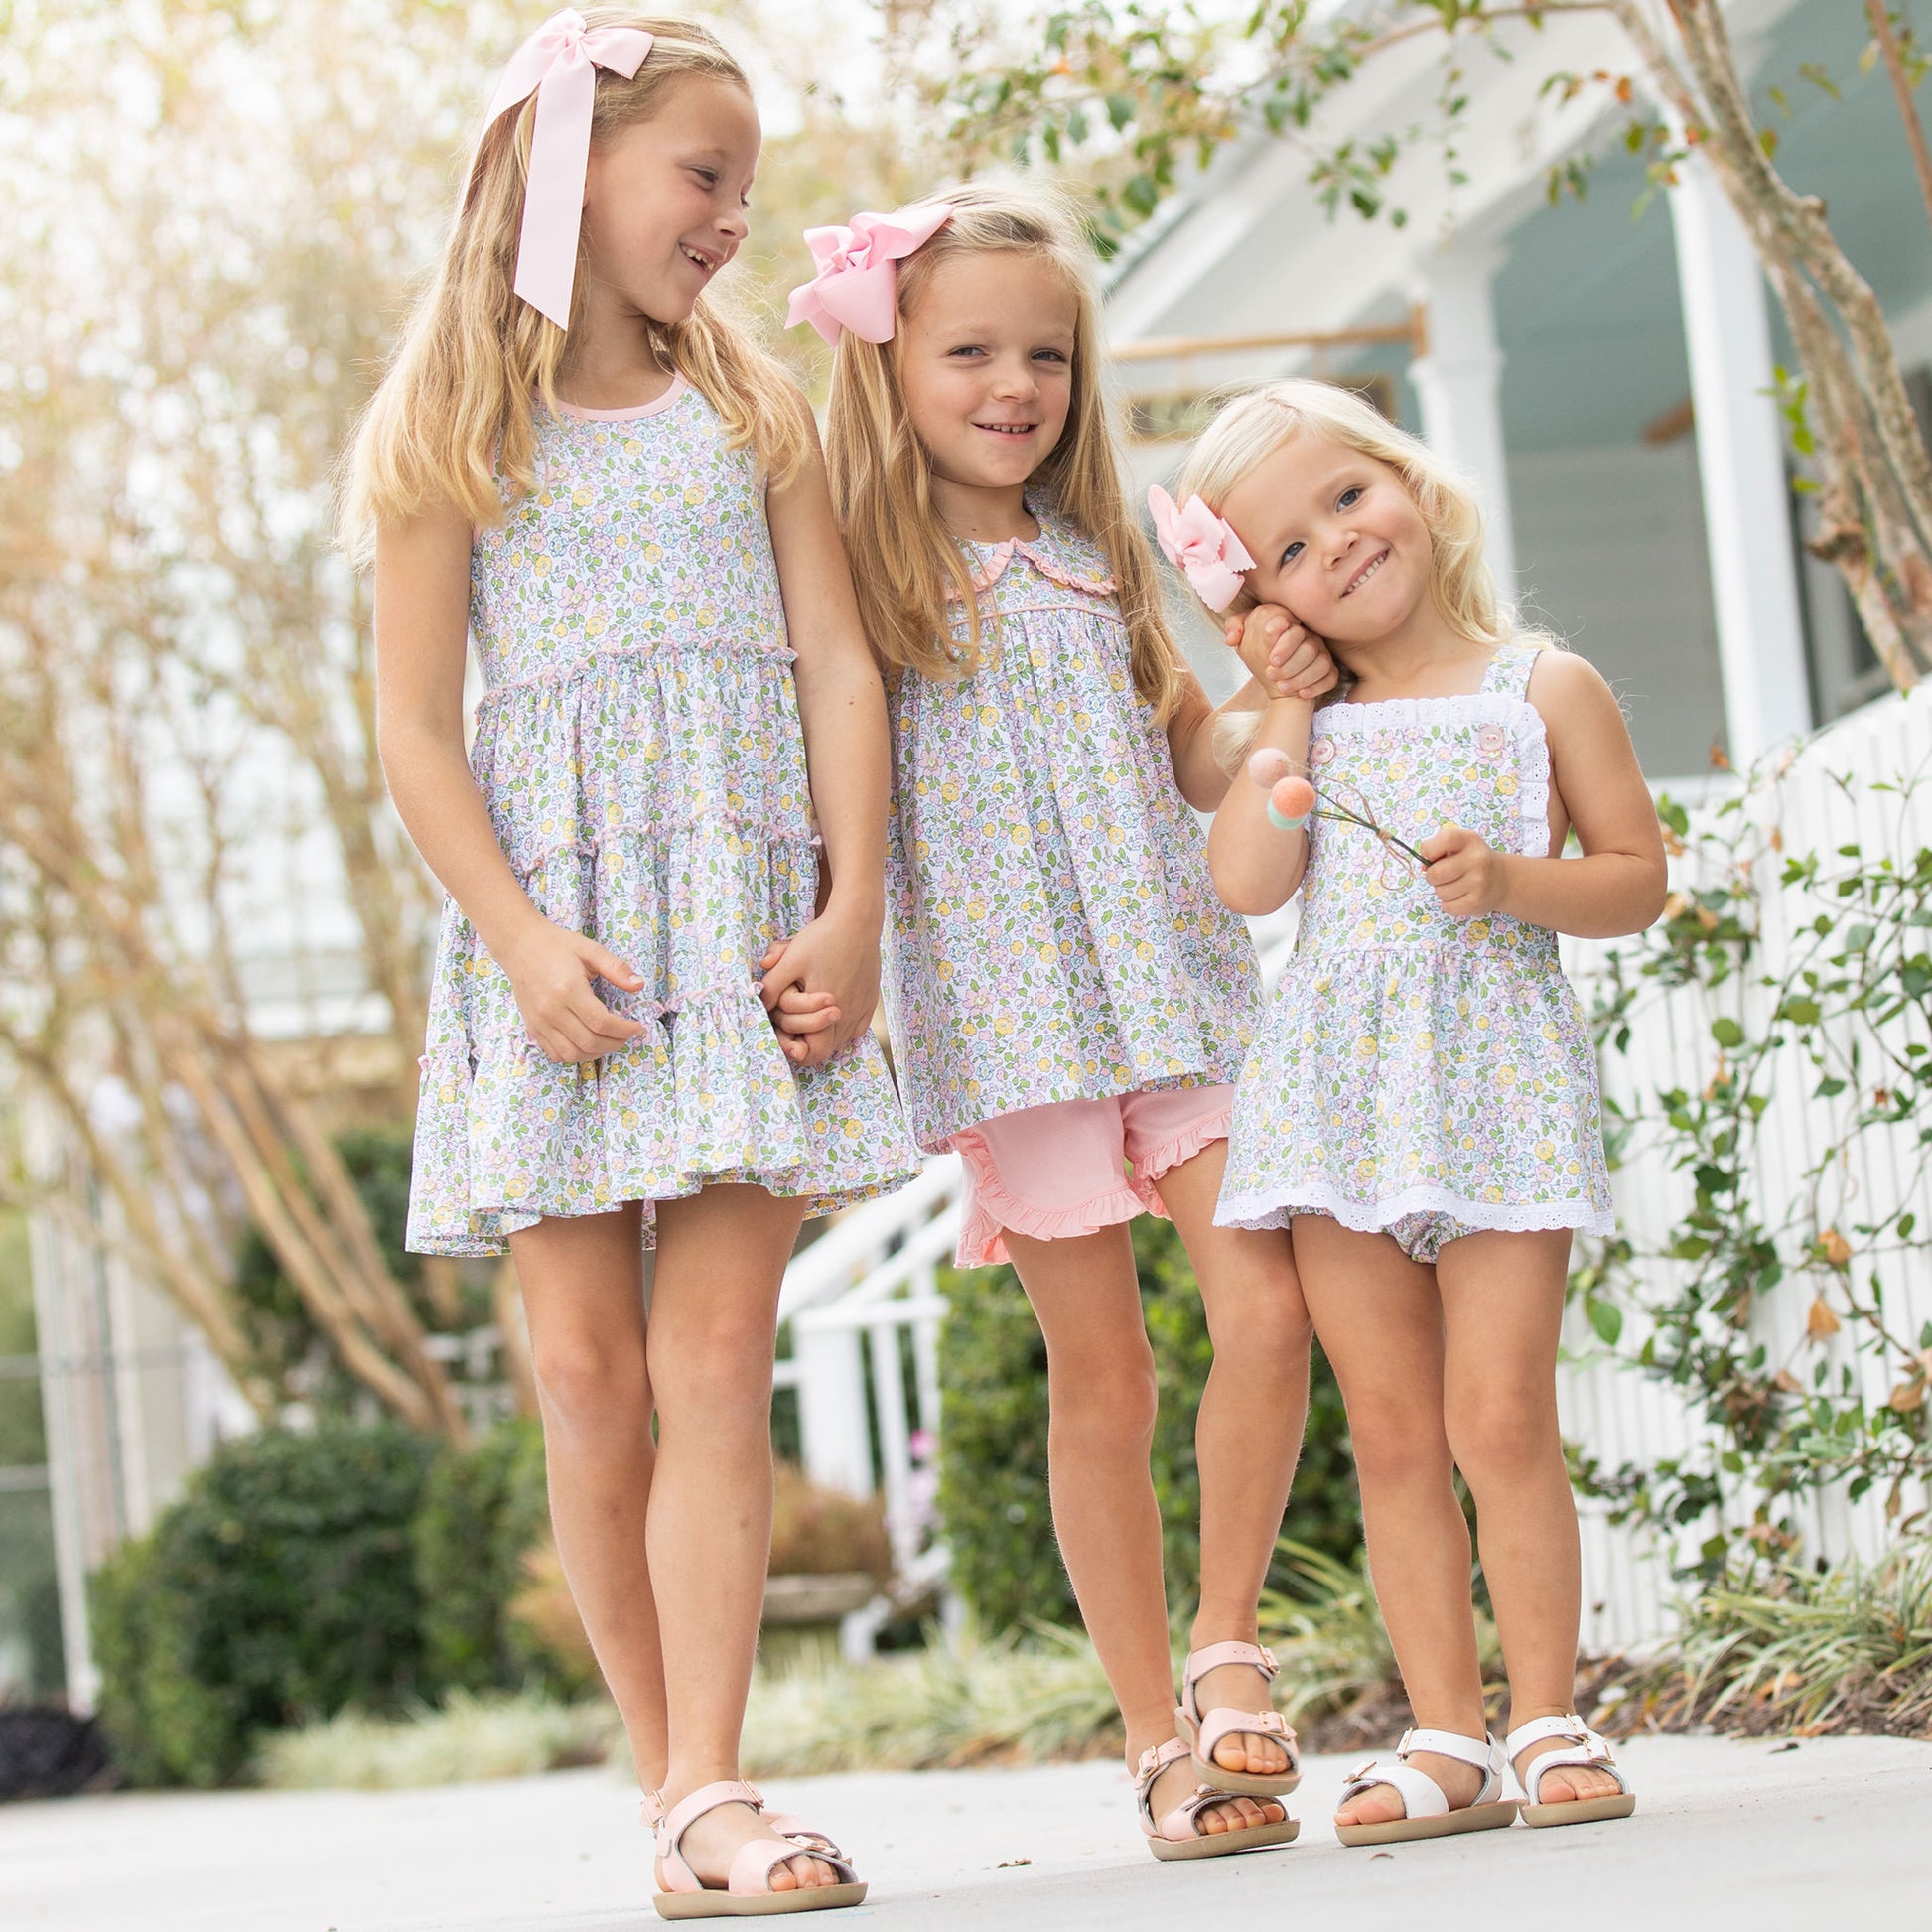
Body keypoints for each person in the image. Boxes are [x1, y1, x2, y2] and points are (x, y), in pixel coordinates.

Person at [343, 9, 919, 1914]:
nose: (732, 220)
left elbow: (837, 662)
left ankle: (714, 1781)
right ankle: (672, 1793)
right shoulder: (451, 428)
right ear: (572, 171)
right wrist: (515, 942)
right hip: (562, 950)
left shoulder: (752, 410)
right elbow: (419, 725)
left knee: (713, 1357)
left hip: (745, 935)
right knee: (587, 1374)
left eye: (747, 189)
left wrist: (848, 905)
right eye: (703, 175)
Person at [803, 182, 1332, 1861]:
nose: (1012, 382)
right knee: (1097, 1374)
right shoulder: (854, 568)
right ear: (890, 362)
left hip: (1175, 988)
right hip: (1010, 1017)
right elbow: (837, 784)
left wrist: (1270, 694)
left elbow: (1186, 754)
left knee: (1267, 1299)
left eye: (1045, 351)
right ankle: (1157, 1738)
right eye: (967, 349)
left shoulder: (1104, 556)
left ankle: (1227, 1641)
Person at [1173, 377, 1662, 1845]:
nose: (1336, 544)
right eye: (1286, 546)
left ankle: (1550, 1712)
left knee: (1498, 1411)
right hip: (1333, 1100)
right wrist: (1279, 706)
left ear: (1406, 479)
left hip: (1496, 1081)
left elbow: (1635, 874)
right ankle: (1445, 1733)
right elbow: (1247, 883)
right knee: (1388, 1430)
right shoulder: (1304, 724)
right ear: (1257, 593)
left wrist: (1514, 883)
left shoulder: (1540, 690)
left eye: (1345, 495)